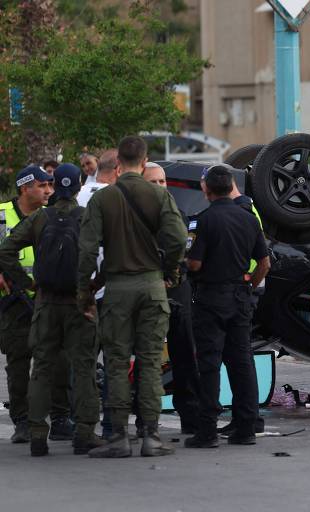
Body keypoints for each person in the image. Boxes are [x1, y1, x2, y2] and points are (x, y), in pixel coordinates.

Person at [78, 136, 187, 457]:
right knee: (151, 362)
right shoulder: (158, 195)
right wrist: (170, 272)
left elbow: (86, 250)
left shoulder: (103, 199)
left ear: (116, 163)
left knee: (116, 362)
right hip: (153, 286)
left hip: (117, 290)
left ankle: (118, 438)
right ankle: (150, 436)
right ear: (144, 160)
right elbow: (177, 238)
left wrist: (83, 291)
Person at [0, 164, 104, 456]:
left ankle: (36, 435)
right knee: (83, 367)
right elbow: (111, 251)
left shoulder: (39, 218)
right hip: (79, 302)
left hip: (45, 303)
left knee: (41, 369)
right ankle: (84, 432)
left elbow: (6, 250)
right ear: (80, 186)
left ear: (55, 185)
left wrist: (25, 283)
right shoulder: (86, 217)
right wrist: (96, 285)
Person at [184, 164, 270, 448]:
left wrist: (186, 266)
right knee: (241, 360)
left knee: (209, 363)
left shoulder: (203, 221)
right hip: (240, 296)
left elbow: (195, 262)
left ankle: (207, 429)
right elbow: (265, 263)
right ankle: (246, 427)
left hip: (210, 297)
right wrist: (249, 284)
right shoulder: (249, 219)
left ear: (206, 189)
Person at [0, 166, 72, 444]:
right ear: (24, 187)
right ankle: (22, 421)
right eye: (42, 186)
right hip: (13, 302)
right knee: (18, 362)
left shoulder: (50, 214)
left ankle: (61, 417)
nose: (48, 191)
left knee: (60, 359)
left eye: (50, 186)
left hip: (48, 298)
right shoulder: (3, 212)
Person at [142, 163, 200, 434]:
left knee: (184, 354)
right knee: (147, 357)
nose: (159, 187)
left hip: (177, 289)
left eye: (162, 182)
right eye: (153, 182)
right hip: (147, 291)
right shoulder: (133, 216)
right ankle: (146, 420)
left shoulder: (179, 213)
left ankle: (190, 415)